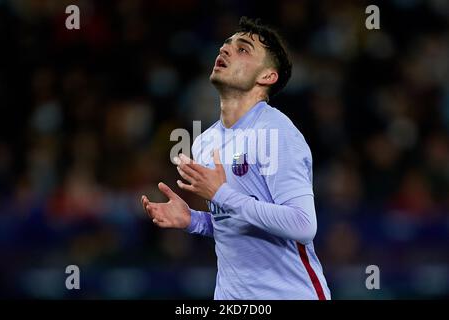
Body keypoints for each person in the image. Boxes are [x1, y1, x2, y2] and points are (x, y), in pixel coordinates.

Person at [141, 17, 331, 300]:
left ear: (266, 77)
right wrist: (193, 220)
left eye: (243, 49)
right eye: (226, 45)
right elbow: (234, 224)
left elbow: (303, 225)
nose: (225, 50)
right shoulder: (205, 141)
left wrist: (221, 193)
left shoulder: (276, 132)